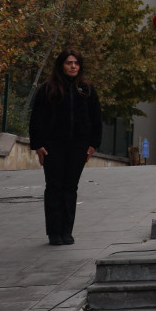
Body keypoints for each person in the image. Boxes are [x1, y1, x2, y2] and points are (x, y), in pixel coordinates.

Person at [29, 49, 102, 246]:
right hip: (53, 146)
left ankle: (66, 231)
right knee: (54, 187)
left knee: (70, 187)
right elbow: (37, 118)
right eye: (69, 63)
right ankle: (54, 233)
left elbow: (96, 118)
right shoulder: (47, 89)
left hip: (78, 146)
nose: (73, 66)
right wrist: (38, 145)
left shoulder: (86, 89)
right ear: (61, 65)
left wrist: (93, 145)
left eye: (76, 63)